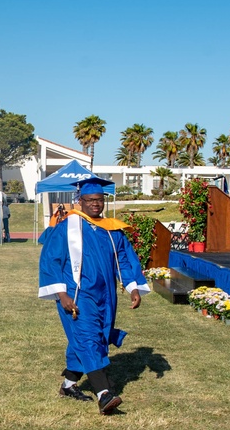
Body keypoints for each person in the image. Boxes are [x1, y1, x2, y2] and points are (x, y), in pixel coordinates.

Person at [38, 177, 150, 415]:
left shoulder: (112, 229)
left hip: (105, 294)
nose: (95, 205)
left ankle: (68, 384)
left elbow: (123, 259)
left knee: (93, 336)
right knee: (88, 337)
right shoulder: (68, 226)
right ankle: (104, 394)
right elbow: (51, 260)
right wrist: (61, 294)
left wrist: (133, 287)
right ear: (80, 201)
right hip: (77, 293)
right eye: (90, 200)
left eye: (99, 200)